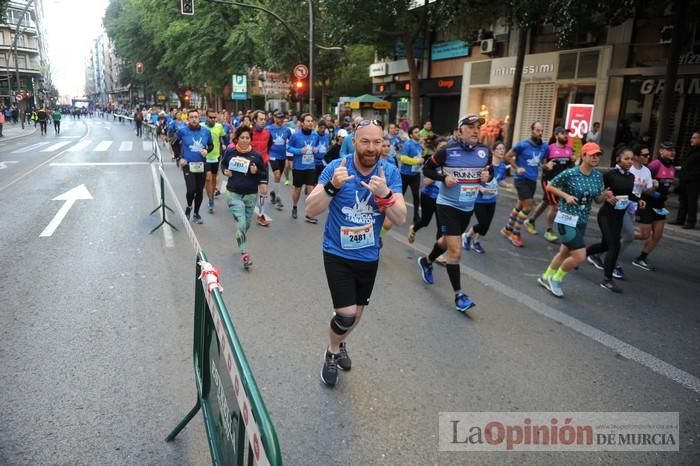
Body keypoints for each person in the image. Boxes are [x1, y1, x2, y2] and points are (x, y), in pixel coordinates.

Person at [305, 119, 406, 387]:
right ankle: (332, 351)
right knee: (346, 314)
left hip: (369, 255)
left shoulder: (390, 172)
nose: (371, 148)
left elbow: (400, 217)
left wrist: (385, 194)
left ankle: (341, 342)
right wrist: (332, 187)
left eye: (377, 142)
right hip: (337, 253)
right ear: (354, 142)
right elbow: (310, 210)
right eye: (365, 141)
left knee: (357, 314)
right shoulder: (336, 169)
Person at [417, 114, 492, 312]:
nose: (476, 130)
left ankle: (426, 261)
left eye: (478, 127)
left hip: (468, 206)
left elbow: (488, 172)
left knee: (446, 242)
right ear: (460, 131)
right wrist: (443, 178)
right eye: (471, 127)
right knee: (455, 250)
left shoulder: (485, 152)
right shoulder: (447, 151)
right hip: (447, 205)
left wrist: (487, 175)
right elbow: (427, 170)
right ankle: (459, 295)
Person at [537, 143, 612, 298]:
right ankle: (556, 279)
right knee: (580, 256)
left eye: (598, 155)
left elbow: (597, 199)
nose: (595, 158)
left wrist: (607, 196)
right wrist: (566, 196)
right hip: (566, 219)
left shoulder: (598, 177)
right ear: (583, 156)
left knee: (564, 252)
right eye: (592, 155)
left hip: (582, 221)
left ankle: (545, 277)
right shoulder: (570, 173)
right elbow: (550, 187)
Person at [586, 147, 643, 292]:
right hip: (606, 215)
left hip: (619, 216)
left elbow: (629, 195)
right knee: (614, 246)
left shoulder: (630, 177)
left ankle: (581, 254)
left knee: (605, 245)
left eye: (631, 159)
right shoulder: (610, 175)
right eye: (626, 159)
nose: (629, 162)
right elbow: (598, 194)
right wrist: (606, 196)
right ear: (618, 159)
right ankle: (607, 279)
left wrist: (639, 200)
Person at [220, 125, 268, 269]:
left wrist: (257, 174)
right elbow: (223, 165)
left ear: (250, 139)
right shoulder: (231, 152)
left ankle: (240, 239)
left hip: (251, 194)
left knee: (246, 224)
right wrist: (226, 171)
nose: (245, 140)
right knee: (241, 222)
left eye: (247, 138)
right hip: (234, 192)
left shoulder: (256, 155)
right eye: (242, 138)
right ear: (237, 139)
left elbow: (263, 173)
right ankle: (244, 253)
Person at [501, 122, 549, 247]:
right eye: (537, 130)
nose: (539, 133)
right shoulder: (523, 145)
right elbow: (508, 156)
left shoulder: (544, 147)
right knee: (528, 207)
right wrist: (517, 168)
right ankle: (515, 234)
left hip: (532, 180)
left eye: (541, 130)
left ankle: (507, 229)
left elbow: (541, 162)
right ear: (532, 130)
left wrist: (546, 166)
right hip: (521, 179)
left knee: (520, 205)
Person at [632, 141, 676, 271]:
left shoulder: (672, 166)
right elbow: (642, 181)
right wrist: (651, 190)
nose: (672, 152)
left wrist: (669, 188)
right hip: (647, 203)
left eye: (673, 150)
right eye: (669, 150)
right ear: (661, 151)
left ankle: (642, 258)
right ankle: (621, 235)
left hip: (660, 204)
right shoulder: (654, 165)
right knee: (643, 234)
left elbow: (671, 183)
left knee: (658, 234)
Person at [526, 127, 574, 242]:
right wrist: (546, 166)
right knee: (555, 206)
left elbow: (570, 168)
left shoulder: (570, 150)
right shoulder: (549, 148)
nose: (566, 136)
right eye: (563, 133)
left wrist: (573, 161)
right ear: (556, 135)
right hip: (549, 181)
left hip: (561, 183)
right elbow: (539, 162)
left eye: (567, 134)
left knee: (545, 202)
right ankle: (549, 231)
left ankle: (530, 221)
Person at [462, 141, 510, 254]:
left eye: (503, 148)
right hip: (479, 199)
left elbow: (500, 180)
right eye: (499, 148)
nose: (502, 151)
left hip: (492, 199)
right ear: (493, 151)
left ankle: (476, 242)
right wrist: (480, 188)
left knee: (486, 225)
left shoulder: (503, 166)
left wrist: (507, 184)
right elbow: (473, 179)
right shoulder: (485, 165)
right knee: (482, 223)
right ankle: (467, 236)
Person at [407, 137, 449, 244]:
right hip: (429, 196)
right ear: (435, 150)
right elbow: (426, 181)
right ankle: (414, 228)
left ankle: (438, 251)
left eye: (446, 147)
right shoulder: (432, 162)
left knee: (442, 225)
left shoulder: (451, 163)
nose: (444, 150)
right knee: (425, 221)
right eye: (441, 148)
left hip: (443, 199)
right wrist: (439, 175)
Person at [175, 109, 214, 224]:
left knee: (199, 191)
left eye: (196, 117)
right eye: (191, 117)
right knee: (191, 189)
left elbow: (211, 145)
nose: (194, 119)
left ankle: (196, 214)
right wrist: (179, 158)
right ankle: (188, 206)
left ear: (199, 118)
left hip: (202, 164)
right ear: (188, 118)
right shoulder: (182, 131)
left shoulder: (206, 132)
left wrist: (207, 150)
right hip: (188, 164)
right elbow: (174, 143)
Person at [287, 113, 320, 223]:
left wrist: (316, 149)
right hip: (298, 167)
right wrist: (299, 151)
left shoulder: (315, 135)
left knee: (311, 188)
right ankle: (295, 206)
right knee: (298, 189)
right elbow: (288, 147)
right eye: (308, 121)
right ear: (302, 123)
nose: (310, 123)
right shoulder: (296, 135)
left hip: (311, 166)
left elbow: (318, 145)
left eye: (311, 121)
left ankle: (309, 213)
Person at [670, 131, 700, 229]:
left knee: (691, 201)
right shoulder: (692, 150)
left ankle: (691, 222)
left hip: (694, 181)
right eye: (692, 137)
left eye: (694, 138)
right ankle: (680, 219)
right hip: (684, 180)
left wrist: (690, 175)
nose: (691, 139)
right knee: (683, 200)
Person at [266, 110, 293, 210]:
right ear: (274, 118)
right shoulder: (268, 129)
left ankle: (273, 192)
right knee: (277, 175)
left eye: (282, 118)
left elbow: (292, 141)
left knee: (278, 177)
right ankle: (278, 198)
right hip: (272, 155)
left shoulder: (287, 130)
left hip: (282, 156)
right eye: (278, 118)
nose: (280, 119)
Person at [250, 109, 272, 226]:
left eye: (265, 119)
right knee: (249, 191)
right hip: (249, 166)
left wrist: (264, 157)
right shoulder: (247, 133)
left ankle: (261, 215)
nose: (263, 122)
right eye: (261, 119)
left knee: (264, 190)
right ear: (254, 120)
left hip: (263, 164)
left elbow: (269, 146)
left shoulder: (268, 133)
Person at [203, 110, 228, 214]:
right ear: (206, 117)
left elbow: (223, 138)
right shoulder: (201, 126)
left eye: (214, 117)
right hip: (205, 156)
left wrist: (225, 145)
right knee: (208, 178)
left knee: (213, 178)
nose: (213, 119)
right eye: (211, 117)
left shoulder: (219, 127)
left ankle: (211, 196)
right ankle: (210, 199)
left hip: (216, 156)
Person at [399, 125, 424, 224]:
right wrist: (416, 161)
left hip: (415, 174)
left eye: (419, 131)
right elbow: (403, 158)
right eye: (416, 132)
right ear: (411, 135)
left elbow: (419, 156)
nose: (419, 134)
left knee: (416, 196)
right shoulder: (407, 144)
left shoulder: (419, 145)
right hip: (405, 174)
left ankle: (416, 215)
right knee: (400, 195)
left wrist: (421, 161)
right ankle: (398, 213)